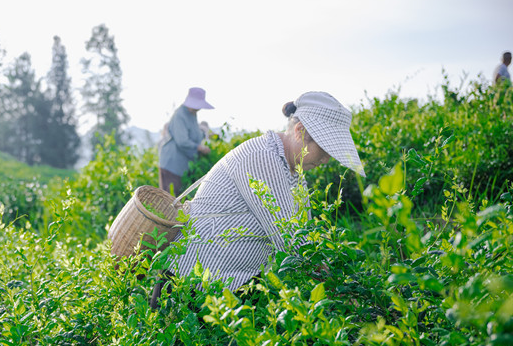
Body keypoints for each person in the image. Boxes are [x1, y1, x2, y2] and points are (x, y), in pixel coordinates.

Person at [152, 92, 365, 307]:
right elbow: (295, 244)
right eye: (324, 149)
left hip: (232, 287)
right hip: (188, 288)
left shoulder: (294, 172)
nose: (327, 159)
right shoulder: (263, 157)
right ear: (300, 132)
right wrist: (346, 295)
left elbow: (306, 233)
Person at [159, 87, 215, 196]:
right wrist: (200, 148)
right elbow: (182, 141)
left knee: (178, 200)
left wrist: (206, 135)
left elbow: (195, 133)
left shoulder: (192, 114)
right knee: (169, 200)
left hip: (181, 166)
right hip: (172, 165)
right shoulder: (180, 115)